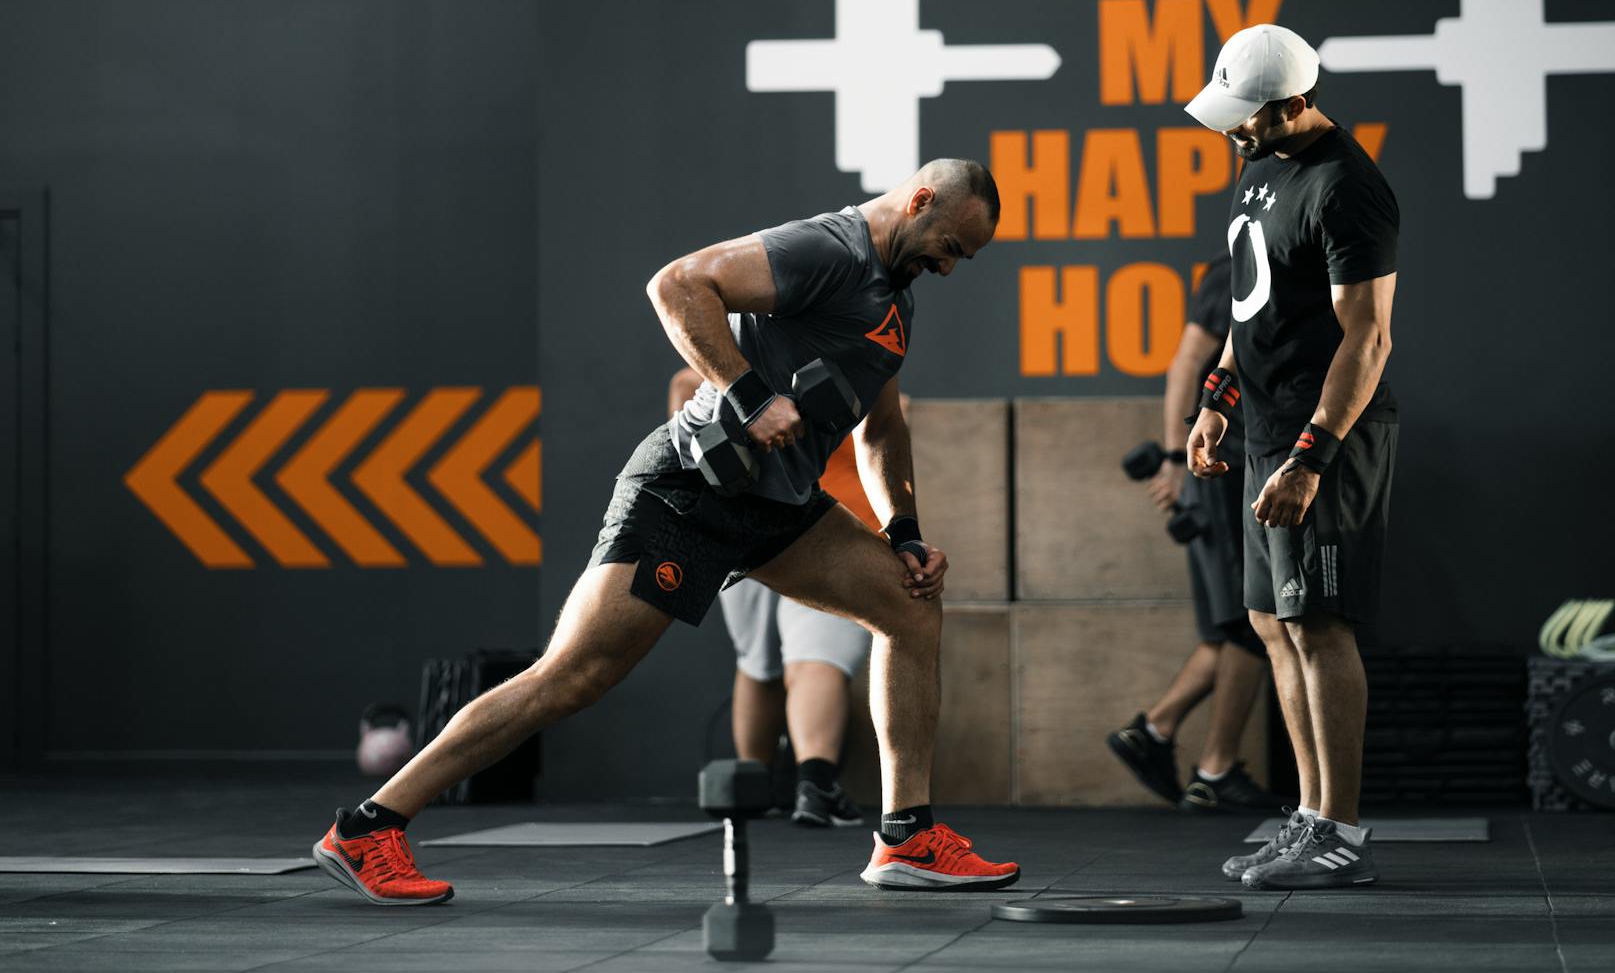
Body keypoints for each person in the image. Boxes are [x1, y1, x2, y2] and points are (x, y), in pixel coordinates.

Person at [312, 159, 1019, 904]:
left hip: (779, 507)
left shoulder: (894, 303)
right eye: (949, 245)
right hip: (689, 490)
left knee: (909, 604)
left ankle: (906, 836)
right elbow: (678, 284)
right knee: (572, 676)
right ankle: (368, 827)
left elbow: (881, 430)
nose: (949, 266)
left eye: (961, 259)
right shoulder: (829, 250)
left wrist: (904, 531)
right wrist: (747, 394)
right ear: (917, 202)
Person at [1184, 24, 1399, 890]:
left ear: (1295, 103)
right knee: (1273, 625)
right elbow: (1253, 307)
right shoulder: (1258, 170)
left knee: (1318, 623)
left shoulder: (1349, 188)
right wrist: (1216, 400)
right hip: (1264, 427)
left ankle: (1341, 832)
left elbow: (1369, 336)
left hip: (1328, 434)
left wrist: (1311, 456)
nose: (1234, 130)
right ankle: (1308, 818)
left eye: (1249, 117)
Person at [669, 367, 895, 830]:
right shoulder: (847, 351)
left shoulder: (731, 358)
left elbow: (683, 390)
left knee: (758, 663)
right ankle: (815, 785)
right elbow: (887, 427)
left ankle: (752, 788)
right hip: (826, 522)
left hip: (741, 519)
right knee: (813, 660)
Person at [1106, 253, 1284, 814]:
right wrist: (1173, 460)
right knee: (1252, 622)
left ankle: (1156, 733)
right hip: (1220, 466)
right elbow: (1186, 363)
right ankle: (1214, 769)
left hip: (1244, 463)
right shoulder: (1239, 268)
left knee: (1235, 625)